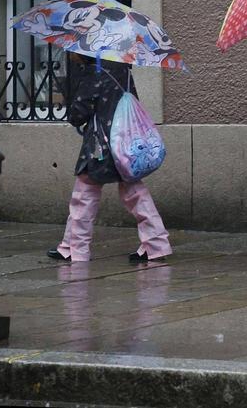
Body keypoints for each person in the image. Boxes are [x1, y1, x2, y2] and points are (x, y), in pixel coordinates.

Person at [48, 54, 172, 264]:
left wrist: (76, 104)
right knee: (135, 191)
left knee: (84, 193)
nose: (70, 55)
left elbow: (78, 114)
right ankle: (156, 245)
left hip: (101, 145)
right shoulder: (123, 69)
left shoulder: (94, 72)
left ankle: (75, 249)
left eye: (73, 51)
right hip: (125, 144)